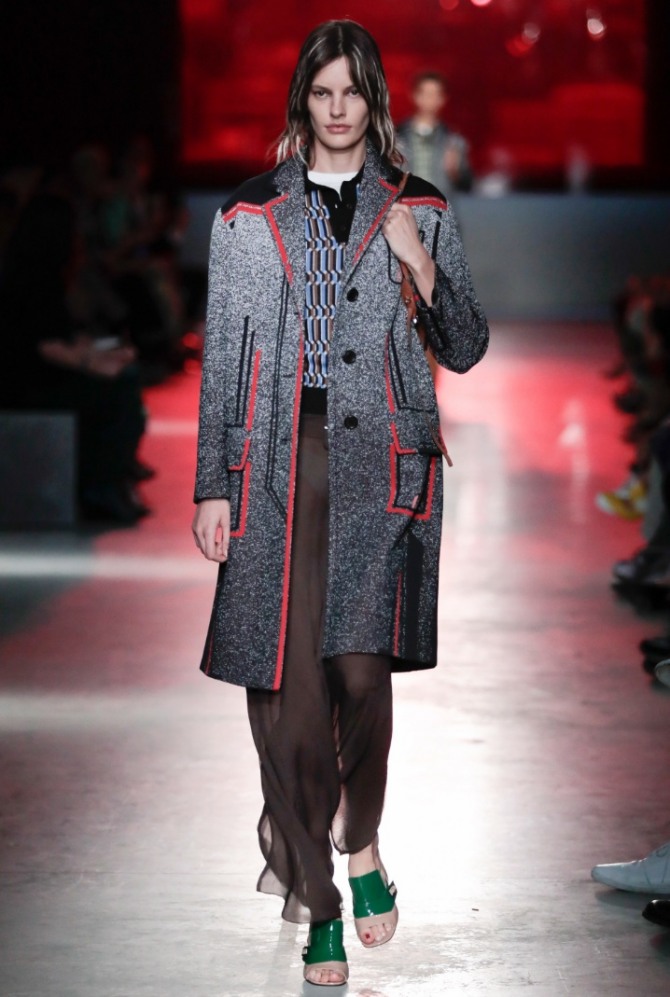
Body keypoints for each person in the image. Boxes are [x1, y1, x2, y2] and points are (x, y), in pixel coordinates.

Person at [191, 20, 488, 988]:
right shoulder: (247, 213)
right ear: (302, 100)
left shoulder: (420, 206)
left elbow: (466, 345)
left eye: (351, 91)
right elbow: (224, 361)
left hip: (379, 468)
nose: (336, 108)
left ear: (374, 100)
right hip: (278, 466)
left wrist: (421, 265)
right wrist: (212, 483)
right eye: (320, 92)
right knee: (287, 689)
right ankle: (322, 901)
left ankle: (361, 843)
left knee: (361, 675)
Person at [396, 71, 472, 198]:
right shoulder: (396, 138)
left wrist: (455, 172)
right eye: (426, 94)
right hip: (405, 204)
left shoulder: (453, 140)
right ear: (415, 95)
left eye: (436, 94)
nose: (430, 99)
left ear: (443, 98)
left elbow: (468, 185)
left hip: (441, 204)